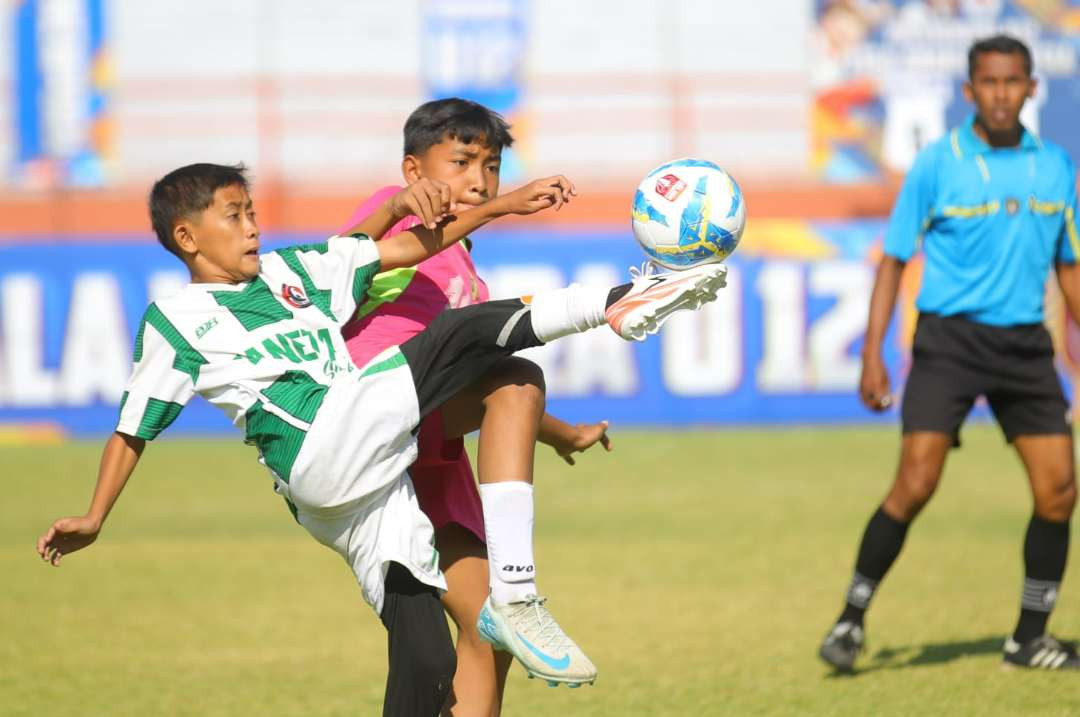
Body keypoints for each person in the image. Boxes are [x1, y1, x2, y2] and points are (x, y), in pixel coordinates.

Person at [36, 162, 728, 715]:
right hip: (319, 444)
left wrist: (498, 206)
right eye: (233, 215)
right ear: (186, 237)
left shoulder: (291, 273)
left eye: (252, 211)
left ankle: (622, 307)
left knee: (426, 656)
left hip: (357, 492)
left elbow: (403, 246)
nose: (252, 226)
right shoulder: (176, 316)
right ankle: (618, 303)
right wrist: (95, 515)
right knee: (459, 337)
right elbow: (133, 426)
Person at [340, 98, 611, 716]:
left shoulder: (464, 269)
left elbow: (490, 396)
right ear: (414, 170)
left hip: (434, 461)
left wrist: (562, 434)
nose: (479, 179)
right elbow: (342, 258)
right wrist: (501, 205)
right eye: (461, 161)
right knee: (516, 366)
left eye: (490, 166)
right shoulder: (392, 209)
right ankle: (521, 592)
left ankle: (513, 602)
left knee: (488, 632)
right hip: (378, 434)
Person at [818, 35, 1080, 672]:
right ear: (969, 92)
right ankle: (851, 619)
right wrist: (872, 355)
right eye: (988, 83)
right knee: (915, 484)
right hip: (949, 344)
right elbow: (893, 260)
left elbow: (1069, 268)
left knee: (1059, 493)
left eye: (1013, 82)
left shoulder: (1055, 166)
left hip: (1024, 347)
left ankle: (1028, 638)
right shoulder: (937, 164)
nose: (1000, 94)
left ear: (1031, 89)